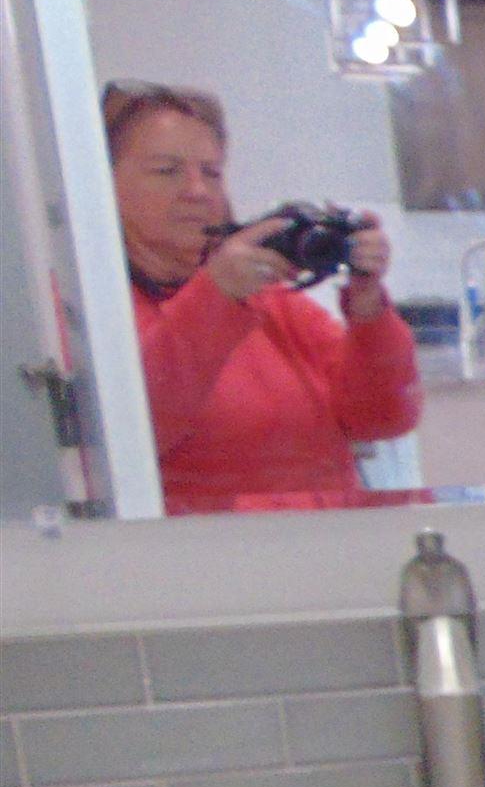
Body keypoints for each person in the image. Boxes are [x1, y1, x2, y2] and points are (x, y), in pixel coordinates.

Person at [103, 81, 422, 514]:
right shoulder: (91, 307)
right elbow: (129, 438)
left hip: (325, 551)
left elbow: (383, 418)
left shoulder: (271, 303)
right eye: (167, 170)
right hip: (199, 565)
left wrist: (368, 308)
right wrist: (216, 295)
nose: (197, 190)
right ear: (102, 183)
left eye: (211, 172)